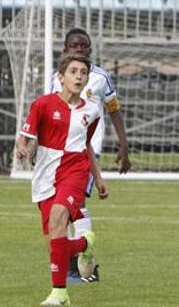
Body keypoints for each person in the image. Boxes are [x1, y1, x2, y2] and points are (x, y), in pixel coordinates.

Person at [15, 55, 110, 306]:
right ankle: (84, 243)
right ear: (61, 77)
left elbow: (87, 144)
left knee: (58, 217)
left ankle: (59, 293)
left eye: (83, 73)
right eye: (73, 71)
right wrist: (23, 148)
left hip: (75, 170)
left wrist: (98, 177)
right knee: (55, 243)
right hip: (45, 174)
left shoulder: (91, 110)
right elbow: (23, 137)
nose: (79, 76)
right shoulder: (42, 105)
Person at [47, 29, 132, 282]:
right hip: (59, 149)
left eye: (85, 46)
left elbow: (114, 110)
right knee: (63, 206)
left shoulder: (100, 77)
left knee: (76, 203)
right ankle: (82, 256)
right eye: (75, 46)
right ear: (65, 50)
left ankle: (83, 266)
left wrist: (123, 145)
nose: (80, 50)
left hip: (87, 148)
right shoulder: (57, 78)